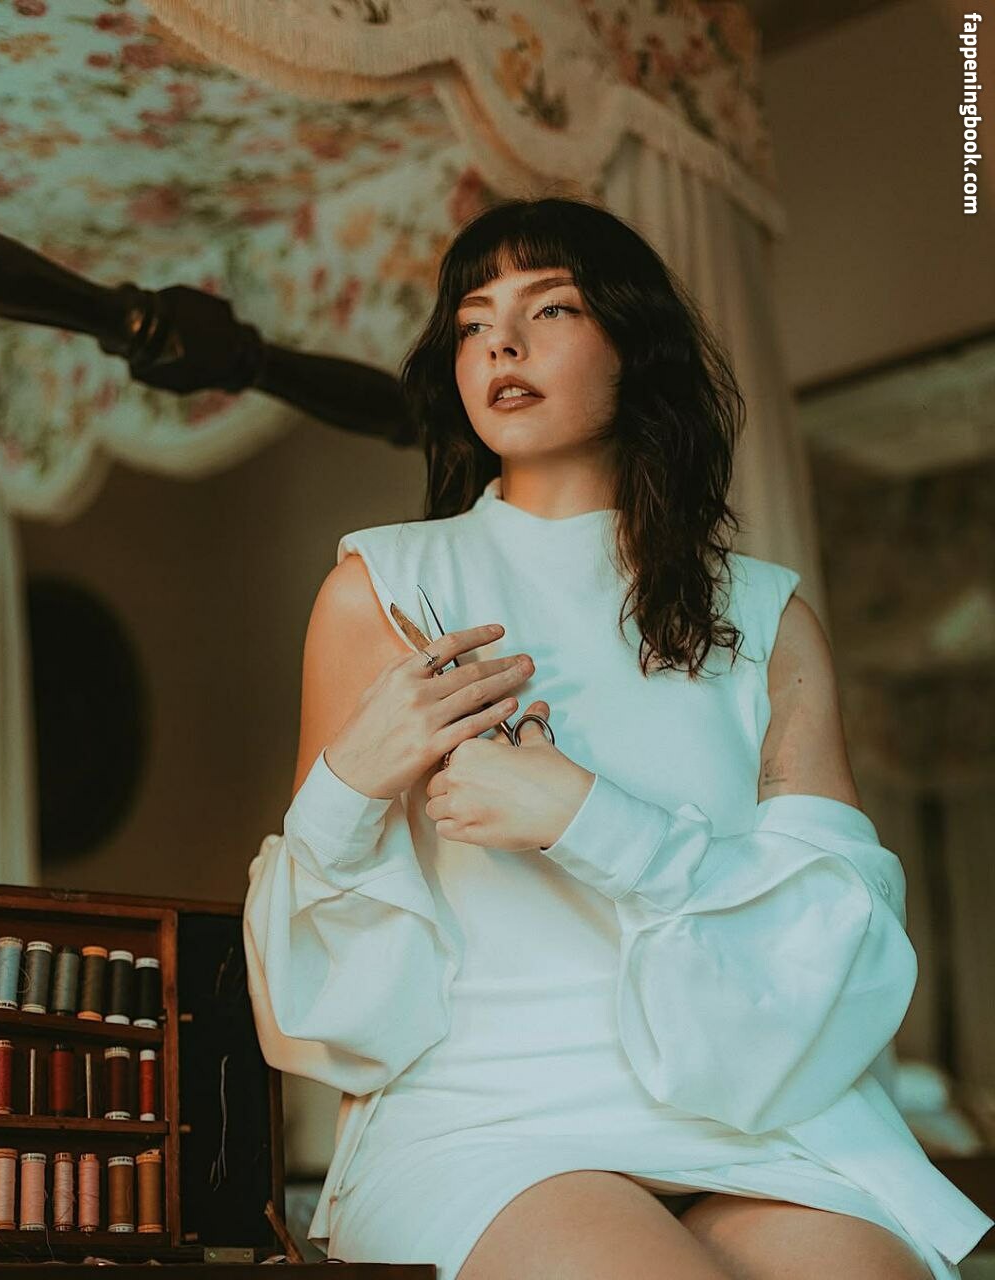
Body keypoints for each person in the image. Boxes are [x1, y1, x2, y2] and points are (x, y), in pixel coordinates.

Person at [243, 197, 991, 1280]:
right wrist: (348, 783)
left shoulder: (766, 615)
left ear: (635, 348)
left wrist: (590, 820)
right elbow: (329, 983)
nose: (500, 344)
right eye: (473, 321)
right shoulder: (384, 589)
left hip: (751, 1111)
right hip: (489, 1113)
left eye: (550, 308)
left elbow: (835, 941)